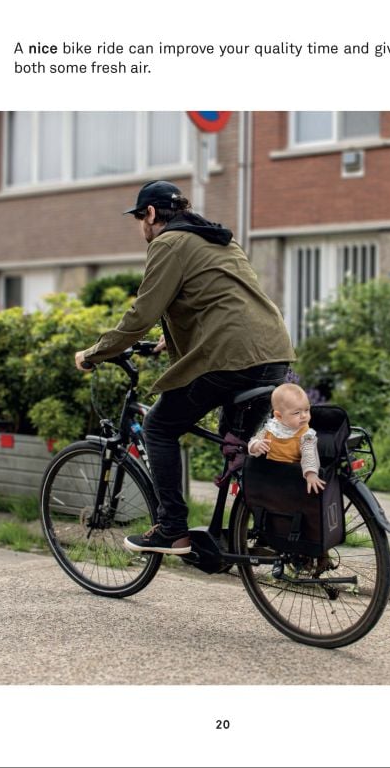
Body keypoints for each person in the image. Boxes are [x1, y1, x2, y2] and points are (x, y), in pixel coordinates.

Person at [75, 180, 295, 555]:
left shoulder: (167, 243)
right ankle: (272, 532)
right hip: (273, 352)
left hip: (233, 358)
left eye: (138, 218)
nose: (139, 227)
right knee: (240, 445)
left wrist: (94, 353)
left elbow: (141, 314)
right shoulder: (219, 240)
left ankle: (172, 529)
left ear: (149, 214)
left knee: (158, 427)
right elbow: (220, 299)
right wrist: (172, 339)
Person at [247, 383, 326, 494]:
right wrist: (256, 446)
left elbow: (309, 454)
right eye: (297, 412)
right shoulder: (271, 428)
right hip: (271, 475)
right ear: (279, 416)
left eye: (307, 410)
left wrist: (311, 474)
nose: (304, 415)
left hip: (292, 478)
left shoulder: (305, 435)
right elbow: (254, 440)